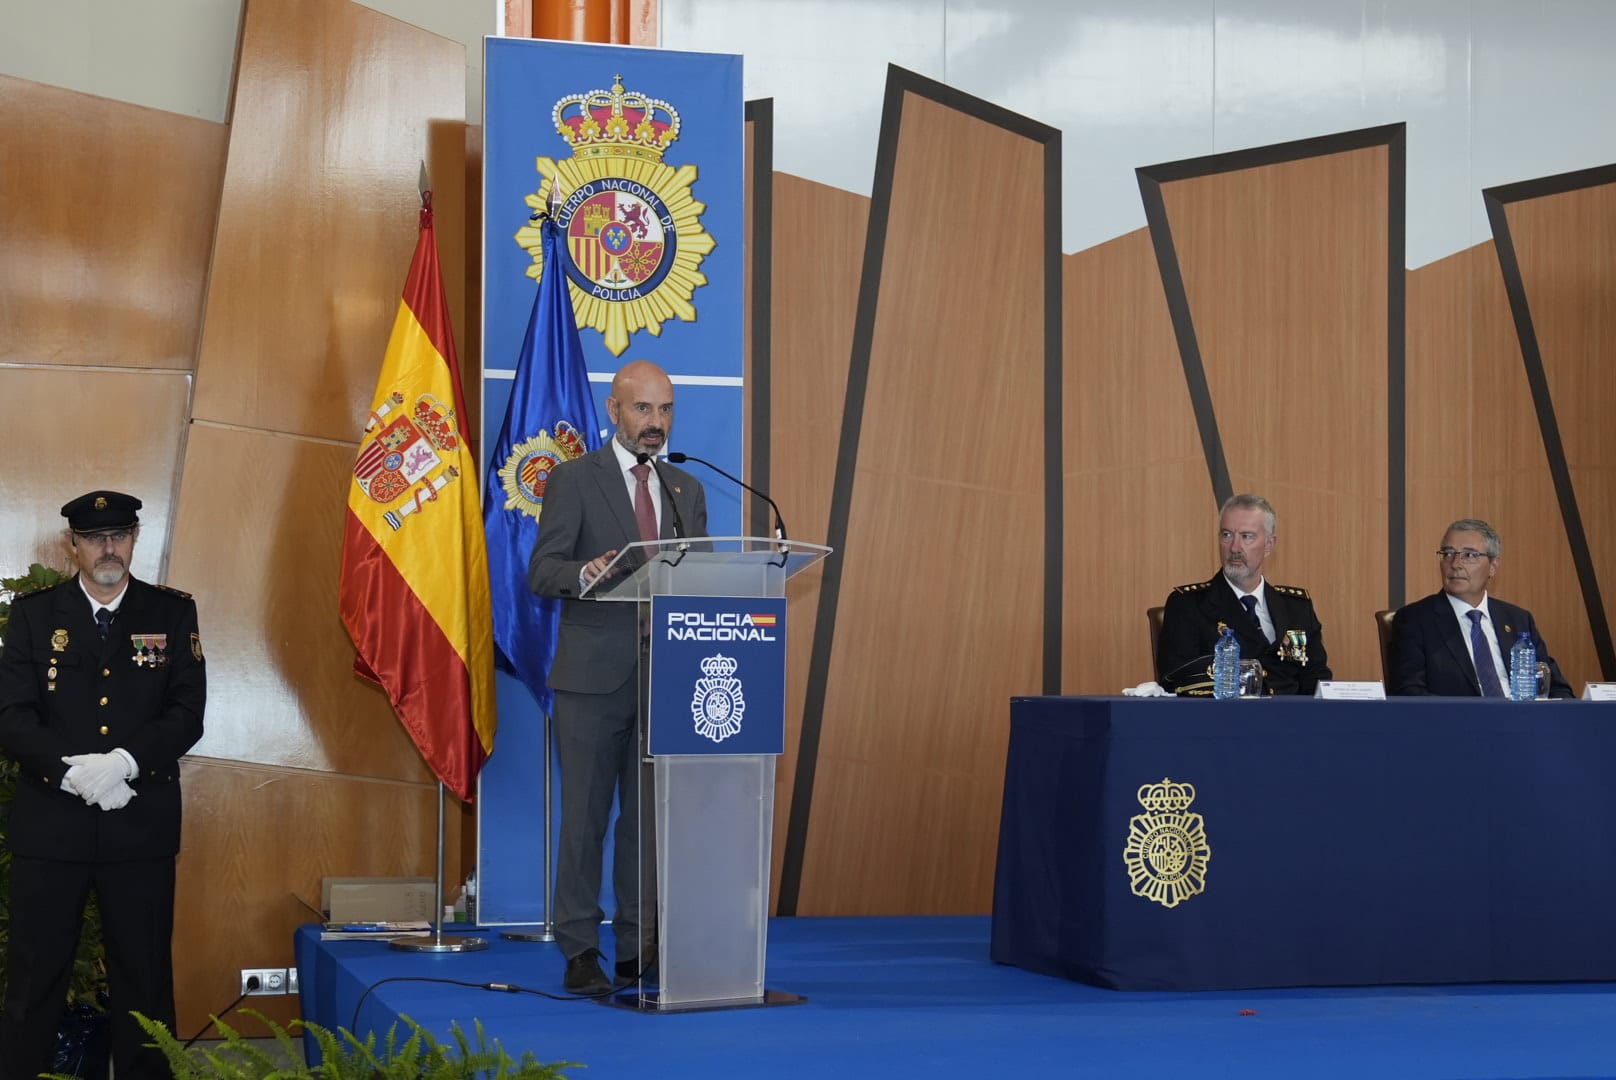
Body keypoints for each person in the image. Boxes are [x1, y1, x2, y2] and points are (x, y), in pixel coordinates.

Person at [0, 491, 205, 1079]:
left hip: (138, 825)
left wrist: (124, 761)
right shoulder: (35, 616)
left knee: (142, 975)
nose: (107, 548)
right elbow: (12, 714)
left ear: (136, 538)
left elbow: (188, 711)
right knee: (35, 975)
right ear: (74, 545)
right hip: (50, 827)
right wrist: (71, 774)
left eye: (119, 535)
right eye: (95, 538)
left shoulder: (171, 614)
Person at [527, 360, 708, 995]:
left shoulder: (687, 489)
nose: (655, 423)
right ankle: (579, 948)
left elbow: (700, 582)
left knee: (646, 822)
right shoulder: (575, 480)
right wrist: (586, 572)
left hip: (664, 679)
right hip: (591, 680)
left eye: (664, 411)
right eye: (643, 410)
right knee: (584, 820)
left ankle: (639, 944)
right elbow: (543, 569)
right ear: (613, 410)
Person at [1156, 493, 1332, 695]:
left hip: (1291, 722)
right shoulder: (1188, 606)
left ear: (1269, 545)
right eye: (1226, 535)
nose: (1234, 548)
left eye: (1246, 536)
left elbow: (1318, 683)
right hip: (1225, 722)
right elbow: (1177, 684)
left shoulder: (1297, 608)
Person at [1389, 518, 1572, 698]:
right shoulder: (1415, 619)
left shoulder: (1518, 619)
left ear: (1493, 566)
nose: (1455, 564)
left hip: (1522, 722)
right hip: (1458, 725)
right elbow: (1409, 693)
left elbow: (1556, 688)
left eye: (1469, 555)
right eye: (1448, 554)